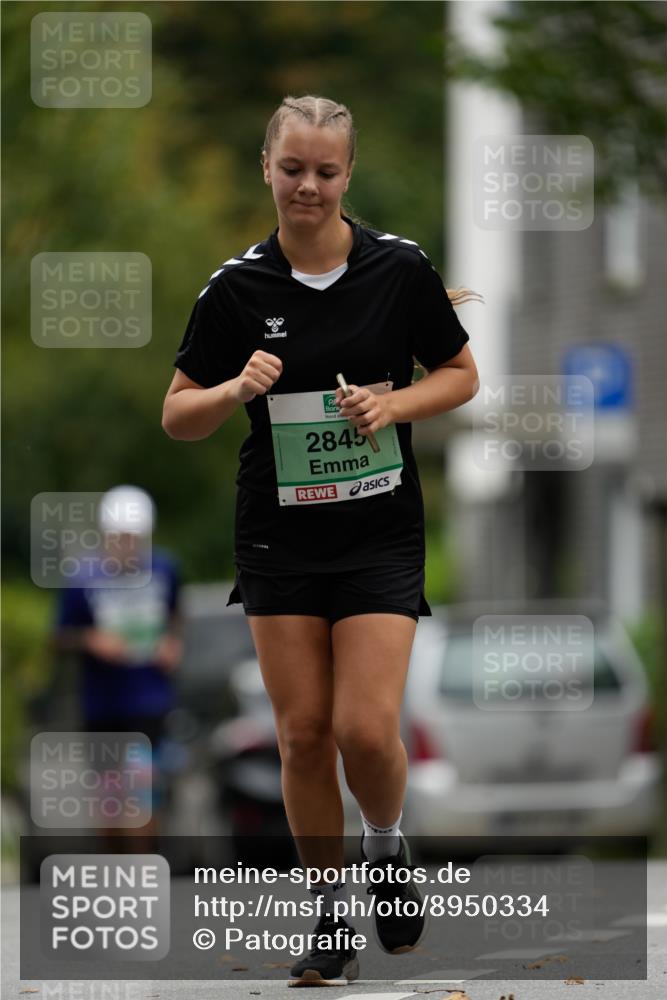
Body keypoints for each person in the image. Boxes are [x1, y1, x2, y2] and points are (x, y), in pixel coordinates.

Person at [162, 95, 479, 986]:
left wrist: (392, 403)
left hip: (378, 533)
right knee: (302, 736)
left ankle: (386, 847)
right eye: (292, 168)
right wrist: (231, 390)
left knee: (365, 731)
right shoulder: (235, 289)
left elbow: (459, 375)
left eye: (325, 171)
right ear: (265, 167)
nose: (308, 185)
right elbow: (176, 414)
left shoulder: (396, 270)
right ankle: (328, 913)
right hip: (279, 542)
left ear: (348, 175)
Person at [52, 485, 183, 848]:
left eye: (133, 538)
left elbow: (175, 615)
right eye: (120, 538)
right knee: (110, 798)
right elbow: (59, 636)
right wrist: (91, 640)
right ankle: (114, 866)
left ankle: (142, 871)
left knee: (142, 789)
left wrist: (172, 644)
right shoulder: (81, 579)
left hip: (149, 700)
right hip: (103, 703)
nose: (127, 545)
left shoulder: (164, 569)